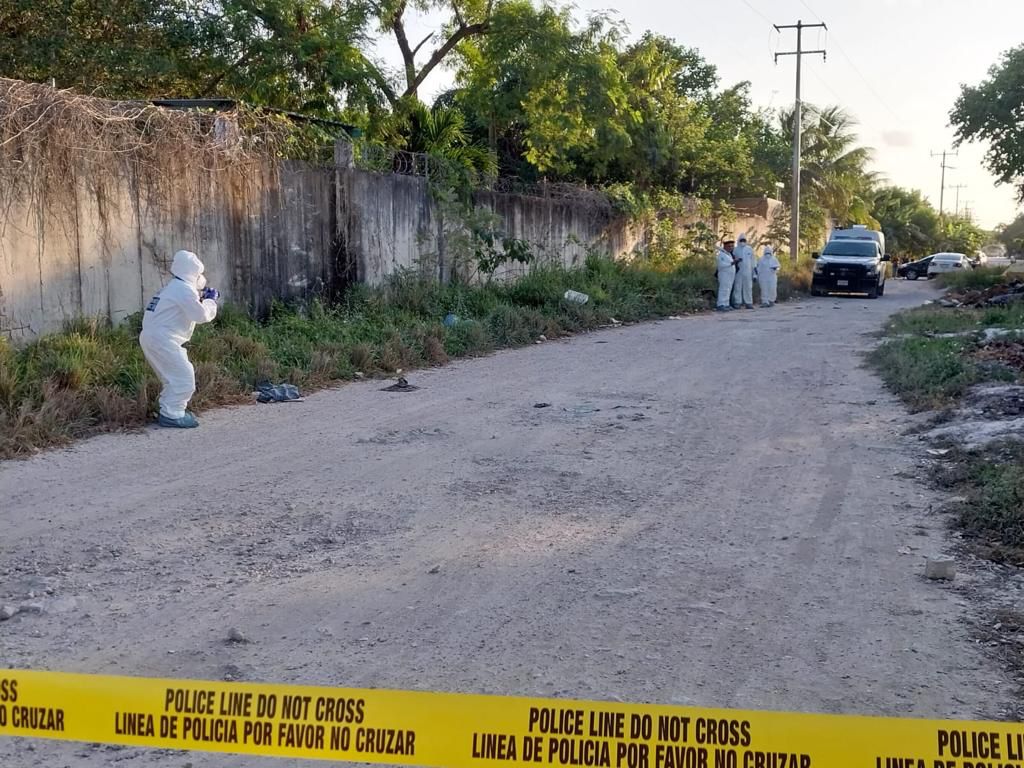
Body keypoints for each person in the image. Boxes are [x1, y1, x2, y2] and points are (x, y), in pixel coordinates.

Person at [139, 250, 220, 428]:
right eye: (198, 274)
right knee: (184, 378)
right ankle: (172, 414)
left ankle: (169, 409)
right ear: (192, 273)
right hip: (163, 339)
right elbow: (201, 315)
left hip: (153, 337)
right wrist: (211, 301)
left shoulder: (174, 287)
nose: (201, 278)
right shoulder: (184, 290)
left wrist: (200, 297)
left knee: (172, 378)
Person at [731, 234, 755, 309]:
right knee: (737, 287)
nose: (742, 242)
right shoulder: (735, 250)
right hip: (738, 271)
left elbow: (753, 261)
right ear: (739, 241)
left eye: (744, 240)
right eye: (741, 240)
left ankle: (749, 302)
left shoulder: (749, 249)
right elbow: (732, 259)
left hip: (748, 271)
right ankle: (737, 302)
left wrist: (754, 273)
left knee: (748, 287)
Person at [715, 239, 739, 311]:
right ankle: (720, 304)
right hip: (724, 274)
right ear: (725, 247)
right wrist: (731, 263)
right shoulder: (721, 255)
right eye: (729, 246)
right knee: (723, 289)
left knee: (728, 290)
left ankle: (726, 304)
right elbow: (721, 265)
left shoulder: (729, 255)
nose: (731, 248)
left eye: (732, 246)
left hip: (730, 275)